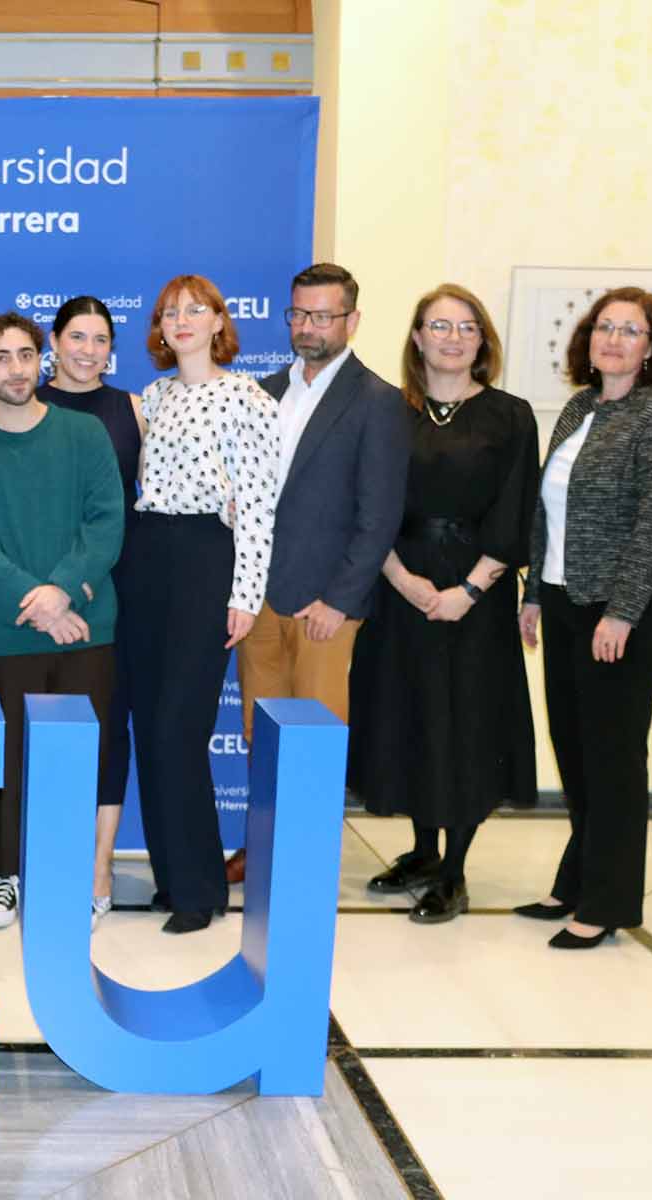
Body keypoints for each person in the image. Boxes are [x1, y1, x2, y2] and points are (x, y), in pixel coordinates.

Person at [349, 285, 539, 923]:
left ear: (482, 341)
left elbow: (515, 515)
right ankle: (423, 851)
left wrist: (470, 590)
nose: (453, 338)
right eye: (439, 325)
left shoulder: (510, 416)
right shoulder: (386, 412)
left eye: (466, 327)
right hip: (400, 586)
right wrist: (403, 580)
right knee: (409, 717)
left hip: (473, 597)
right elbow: (367, 508)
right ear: (417, 338)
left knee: (464, 725)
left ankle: (454, 871)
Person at [516, 287, 652, 949]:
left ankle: (609, 903)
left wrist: (622, 612)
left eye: (631, 330)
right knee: (575, 752)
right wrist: (534, 591)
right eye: (604, 327)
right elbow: (544, 513)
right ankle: (577, 879)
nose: (614, 339)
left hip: (627, 611)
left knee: (614, 759)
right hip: (565, 602)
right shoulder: (578, 409)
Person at [0, 313, 125, 930]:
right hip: (8, 631)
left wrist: (64, 593)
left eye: (25, 355)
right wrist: (40, 604)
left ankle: (75, 874)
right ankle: (7, 875)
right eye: (0, 357)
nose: (15, 368)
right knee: (10, 758)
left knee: (82, 756)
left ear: (41, 360)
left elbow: (105, 524)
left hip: (86, 624)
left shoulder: (85, 434)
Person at [232, 263, 411, 884]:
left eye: (322, 316)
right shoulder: (264, 390)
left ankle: (305, 863)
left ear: (352, 321)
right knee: (262, 736)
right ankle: (262, 850)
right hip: (259, 603)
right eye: (298, 314)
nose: (307, 327)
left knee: (313, 742)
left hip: (324, 611)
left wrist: (341, 600)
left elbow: (379, 516)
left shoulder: (379, 403)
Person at [130, 277, 280, 934]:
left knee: (178, 729)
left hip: (203, 558)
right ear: (159, 329)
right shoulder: (155, 395)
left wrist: (245, 596)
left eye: (196, 310)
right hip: (145, 560)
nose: (182, 320)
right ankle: (177, 881)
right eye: (170, 312)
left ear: (221, 320)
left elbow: (258, 506)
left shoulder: (245, 396)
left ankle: (200, 889)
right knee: (151, 730)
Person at [38, 295, 144, 924]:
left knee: (107, 730)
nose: (87, 349)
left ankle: (100, 865)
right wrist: (50, 593)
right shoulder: (27, 402)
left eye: (99, 338)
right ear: (55, 341)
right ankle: (44, 862)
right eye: (76, 336)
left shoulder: (132, 408)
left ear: (112, 346)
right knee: (44, 735)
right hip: (38, 598)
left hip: (110, 592)